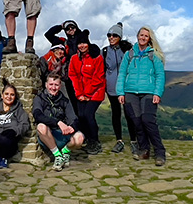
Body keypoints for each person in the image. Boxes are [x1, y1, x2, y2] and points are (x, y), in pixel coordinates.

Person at [118, 26, 166, 166]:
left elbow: (160, 75)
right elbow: (122, 74)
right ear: (137, 36)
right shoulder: (129, 54)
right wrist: (121, 92)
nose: (143, 37)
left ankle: (160, 152)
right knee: (137, 122)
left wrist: (157, 93)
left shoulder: (154, 55)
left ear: (149, 38)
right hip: (130, 92)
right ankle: (144, 150)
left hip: (148, 92)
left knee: (148, 121)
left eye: (146, 36)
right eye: (141, 35)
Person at [32, 73, 85, 171]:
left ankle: (65, 152)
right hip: (47, 135)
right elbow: (38, 116)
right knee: (41, 127)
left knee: (80, 138)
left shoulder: (65, 101)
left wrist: (72, 127)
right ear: (46, 85)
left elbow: (74, 119)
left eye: (56, 85)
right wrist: (58, 123)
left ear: (60, 86)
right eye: (51, 84)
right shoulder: (39, 99)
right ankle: (58, 156)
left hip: (63, 135)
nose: (53, 87)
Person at [68, 30, 106, 155]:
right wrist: (79, 94)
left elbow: (98, 78)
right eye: (79, 43)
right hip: (81, 94)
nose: (82, 46)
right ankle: (88, 140)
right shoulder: (74, 58)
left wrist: (88, 94)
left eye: (84, 43)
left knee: (89, 115)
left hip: (96, 92)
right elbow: (73, 76)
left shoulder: (97, 57)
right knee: (81, 116)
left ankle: (95, 142)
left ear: (88, 43)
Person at [102, 22, 135, 153]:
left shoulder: (127, 50)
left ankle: (134, 141)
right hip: (111, 88)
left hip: (126, 87)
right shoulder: (104, 51)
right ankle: (119, 141)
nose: (111, 38)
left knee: (129, 114)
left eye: (114, 35)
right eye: (109, 35)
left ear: (119, 37)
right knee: (116, 114)